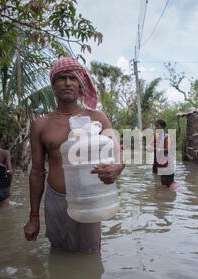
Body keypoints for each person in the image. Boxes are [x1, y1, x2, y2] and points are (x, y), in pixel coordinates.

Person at [24, 57, 124, 253]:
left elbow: (117, 154)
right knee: (58, 252)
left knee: (90, 254)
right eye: (62, 78)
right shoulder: (41, 125)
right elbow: (36, 172)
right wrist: (33, 217)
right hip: (56, 199)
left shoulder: (98, 118)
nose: (68, 82)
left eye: (73, 78)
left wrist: (118, 168)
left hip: (90, 198)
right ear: (53, 85)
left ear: (81, 84)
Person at [154, 119, 179, 191]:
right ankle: (164, 198)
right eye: (155, 126)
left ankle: (170, 198)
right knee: (163, 183)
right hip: (162, 163)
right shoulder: (158, 137)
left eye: (157, 126)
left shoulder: (167, 137)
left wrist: (157, 149)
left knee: (169, 183)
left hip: (168, 163)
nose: (155, 128)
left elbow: (168, 150)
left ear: (162, 127)